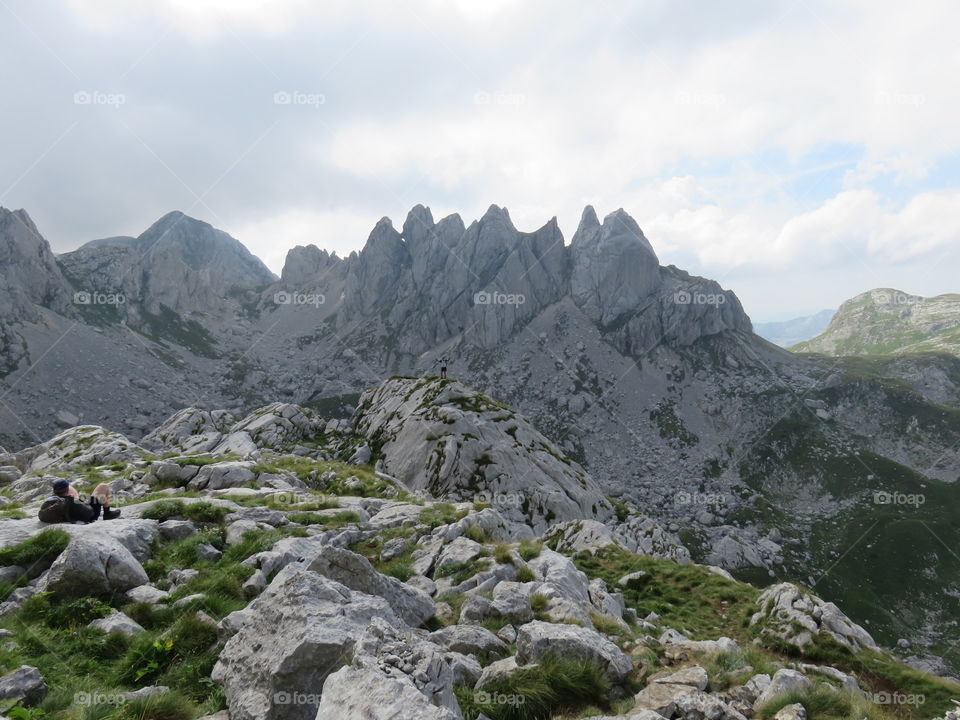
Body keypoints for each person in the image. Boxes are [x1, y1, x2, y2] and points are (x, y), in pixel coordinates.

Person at [38, 479, 120, 523]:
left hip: (70, 513)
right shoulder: (71, 501)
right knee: (103, 486)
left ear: (54, 491)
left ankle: (107, 513)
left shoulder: (50, 501)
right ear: (67, 490)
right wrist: (82, 502)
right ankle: (107, 514)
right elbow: (89, 512)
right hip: (90, 514)